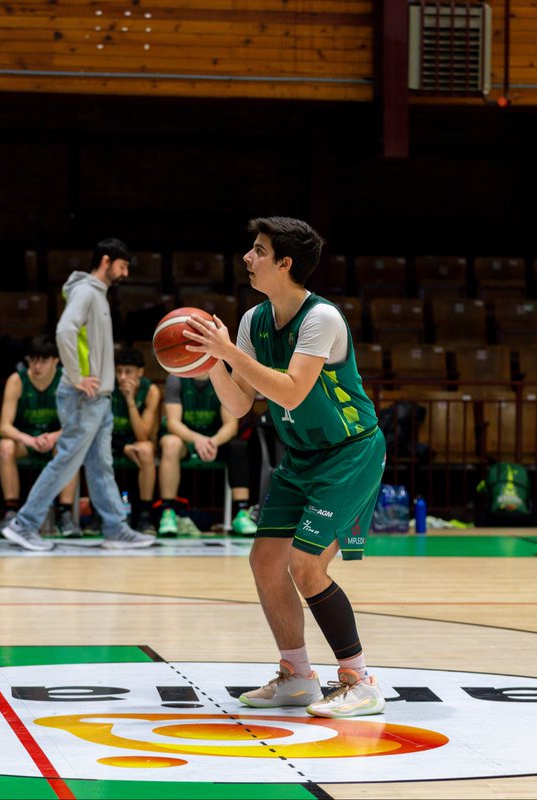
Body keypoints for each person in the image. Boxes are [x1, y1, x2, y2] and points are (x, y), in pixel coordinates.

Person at [181, 216, 387, 719]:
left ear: (284, 263)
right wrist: (210, 364)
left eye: (258, 250)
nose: (248, 258)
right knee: (265, 561)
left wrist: (228, 351)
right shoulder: (254, 321)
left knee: (305, 564)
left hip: (349, 455)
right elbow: (239, 404)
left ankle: (360, 679)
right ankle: (297, 676)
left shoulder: (323, 319)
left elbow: (292, 389)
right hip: (301, 459)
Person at [0, 238, 156, 551]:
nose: (125, 274)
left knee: (100, 465)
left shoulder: (97, 294)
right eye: (122, 266)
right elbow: (64, 331)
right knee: (67, 461)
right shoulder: (86, 291)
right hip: (83, 395)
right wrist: (76, 376)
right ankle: (24, 523)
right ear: (107, 261)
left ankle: (115, 528)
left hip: (99, 398)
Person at [0, 335, 83, 535]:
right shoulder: (17, 381)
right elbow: (4, 426)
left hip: (54, 440)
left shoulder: (66, 380)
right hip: (26, 440)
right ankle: (11, 513)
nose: (37, 366)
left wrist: (54, 436)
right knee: (5, 446)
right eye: (33, 360)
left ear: (55, 361)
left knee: (70, 447)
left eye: (43, 361)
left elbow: (75, 423)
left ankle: (65, 514)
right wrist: (30, 440)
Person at [158, 373, 257, 536]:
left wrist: (213, 442)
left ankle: (241, 512)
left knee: (237, 446)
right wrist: (198, 439)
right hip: (185, 438)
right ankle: (168, 512)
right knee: (170, 444)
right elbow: (173, 423)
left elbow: (231, 426)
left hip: (214, 438)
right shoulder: (175, 378)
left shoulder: (223, 377)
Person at [111, 347, 161, 534]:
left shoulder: (151, 391)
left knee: (146, 449)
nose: (122, 377)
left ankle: (145, 516)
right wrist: (123, 447)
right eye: (118, 371)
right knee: (94, 449)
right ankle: (97, 515)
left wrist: (130, 401)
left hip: (136, 440)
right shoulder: (108, 388)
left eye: (128, 372)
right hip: (112, 441)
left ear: (140, 372)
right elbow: (99, 430)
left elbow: (143, 435)